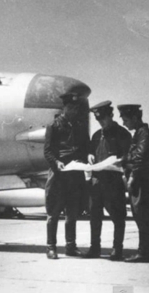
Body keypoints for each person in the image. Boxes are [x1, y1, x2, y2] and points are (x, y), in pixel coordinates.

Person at [43, 91, 90, 259]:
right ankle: (51, 247)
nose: (73, 111)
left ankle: (71, 246)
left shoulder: (79, 126)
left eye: (75, 108)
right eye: (70, 107)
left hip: (74, 175)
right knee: (53, 213)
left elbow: (85, 148)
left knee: (72, 214)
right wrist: (56, 162)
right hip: (58, 175)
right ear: (64, 108)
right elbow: (47, 151)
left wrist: (87, 157)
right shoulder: (54, 126)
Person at [84, 101, 132, 261]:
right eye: (98, 120)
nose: (101, 122)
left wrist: (121, 161)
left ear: (111, 116)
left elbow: (129, 156)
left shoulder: (123, 134)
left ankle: (117, 250)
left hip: (113, 182)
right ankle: (94, 248)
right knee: (94, 218)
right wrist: (89, 155)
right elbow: (91, 152)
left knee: (118, 218)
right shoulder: (97, 135)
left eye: (103, 119)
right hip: (97, 182)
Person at [117, 104, 149, 263]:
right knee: (142, 218)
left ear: (135, 118)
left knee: (143, 218)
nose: (124, 123)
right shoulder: (141, 134)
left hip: (140, 182)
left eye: (126, 119)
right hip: (140, 180)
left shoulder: (144, 134)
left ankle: (145, 253)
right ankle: (145, 252)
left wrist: (132, 177)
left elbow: (140, 158)